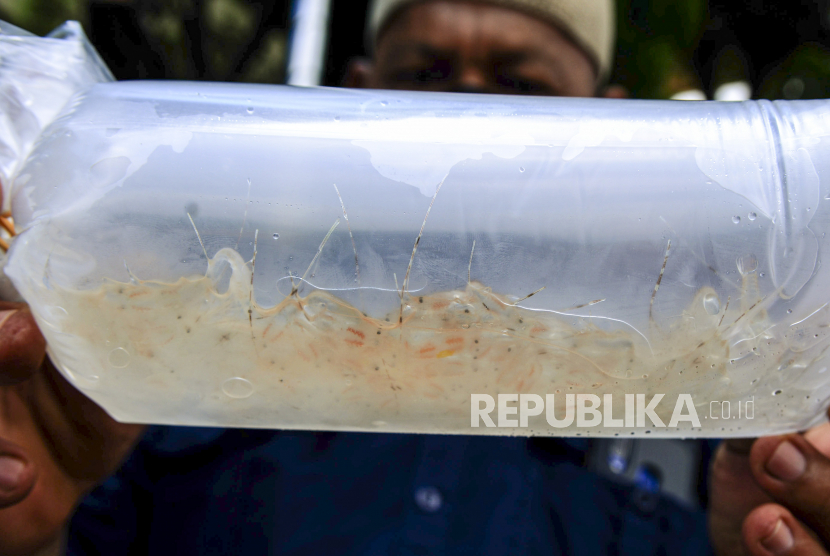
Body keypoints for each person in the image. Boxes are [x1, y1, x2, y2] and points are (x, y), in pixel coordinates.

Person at [2, 1, 830, 554]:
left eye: (520, 86)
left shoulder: (711, 402)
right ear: (352, 98)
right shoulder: (160, 371)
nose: (472, 117)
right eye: (428, 77)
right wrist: (40, 528)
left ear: (608, 117)